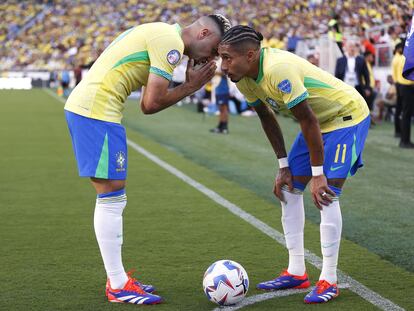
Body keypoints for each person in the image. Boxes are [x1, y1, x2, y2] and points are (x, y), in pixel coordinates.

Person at [64, 15, 231, 305]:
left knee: (113, 194)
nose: (213, 57)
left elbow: (145, 100)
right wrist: (191, 86)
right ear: (204, 32)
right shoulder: (171, 43)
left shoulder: (162, 33)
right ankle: (117, 285)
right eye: (215, 49)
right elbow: (150, 104)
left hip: (93, 108)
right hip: (96, 110)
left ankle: (118, 279)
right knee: (112, 195)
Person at [218, 25, 370, 304]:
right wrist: (283, 165)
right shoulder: (243, 78)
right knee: (288, 189)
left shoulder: (279, 69)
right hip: (317, 121)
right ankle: (297, 271)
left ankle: (329, 279)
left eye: (227, 58)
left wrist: (318, 175)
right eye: (221, 58)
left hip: (346, 116)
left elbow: (308, 120)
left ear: (250, 55)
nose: (222, 65)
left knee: (326, 194)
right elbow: (266, 117)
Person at [210, 59, 230, 134]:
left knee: (224, 108)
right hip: (218, 86)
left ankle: (225, 127)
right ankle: (220, 126)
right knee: (221, 108)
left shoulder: (223, 60)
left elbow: (225, 72)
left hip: (223, 86)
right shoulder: (218, 60)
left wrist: (214, 72)